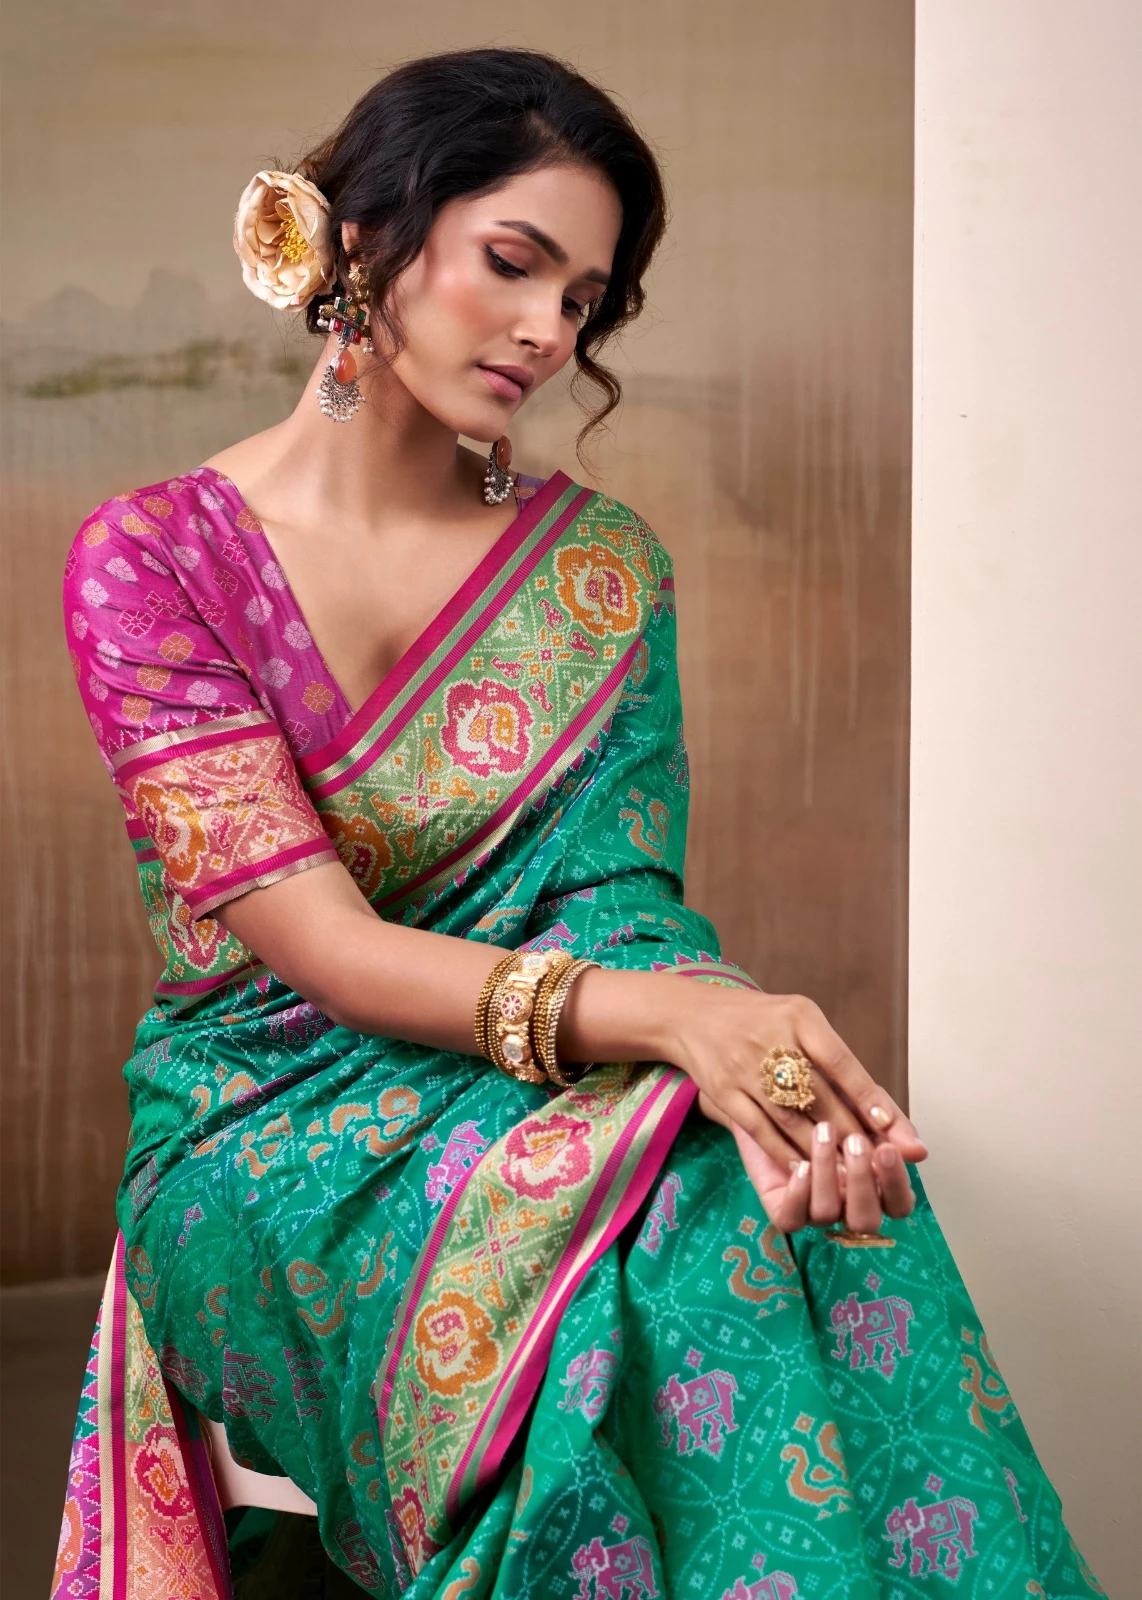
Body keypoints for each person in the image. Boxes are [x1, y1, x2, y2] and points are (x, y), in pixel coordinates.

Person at [51, 46, 1101, 1600]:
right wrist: (683, 1029)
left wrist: (749, 1054)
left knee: (773, 1178)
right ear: (364, 239)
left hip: (553, 1071)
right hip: (264, 1112)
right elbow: (321, 950)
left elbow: (617, 901)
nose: (549, 331)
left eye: (585, 298)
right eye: (512, 262)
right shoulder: (153, 561)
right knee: (690, 1209)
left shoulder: (600, 572)